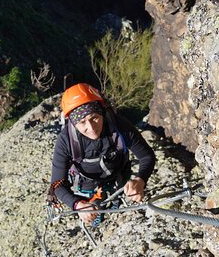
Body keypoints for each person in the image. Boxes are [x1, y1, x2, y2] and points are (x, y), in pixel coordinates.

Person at [49, 83, 156, 225]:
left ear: (102, 112)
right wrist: (78, 205)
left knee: (121, 209)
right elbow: (57, 184)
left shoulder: (119, 126)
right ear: (73, 123)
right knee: (94, 219)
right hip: (88, 184)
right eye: (82, 122)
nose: (91, 128)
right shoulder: (66, 141)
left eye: (94, 118)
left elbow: (147, 156)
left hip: (120, 177)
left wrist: (140, 180)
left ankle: (114, 203)